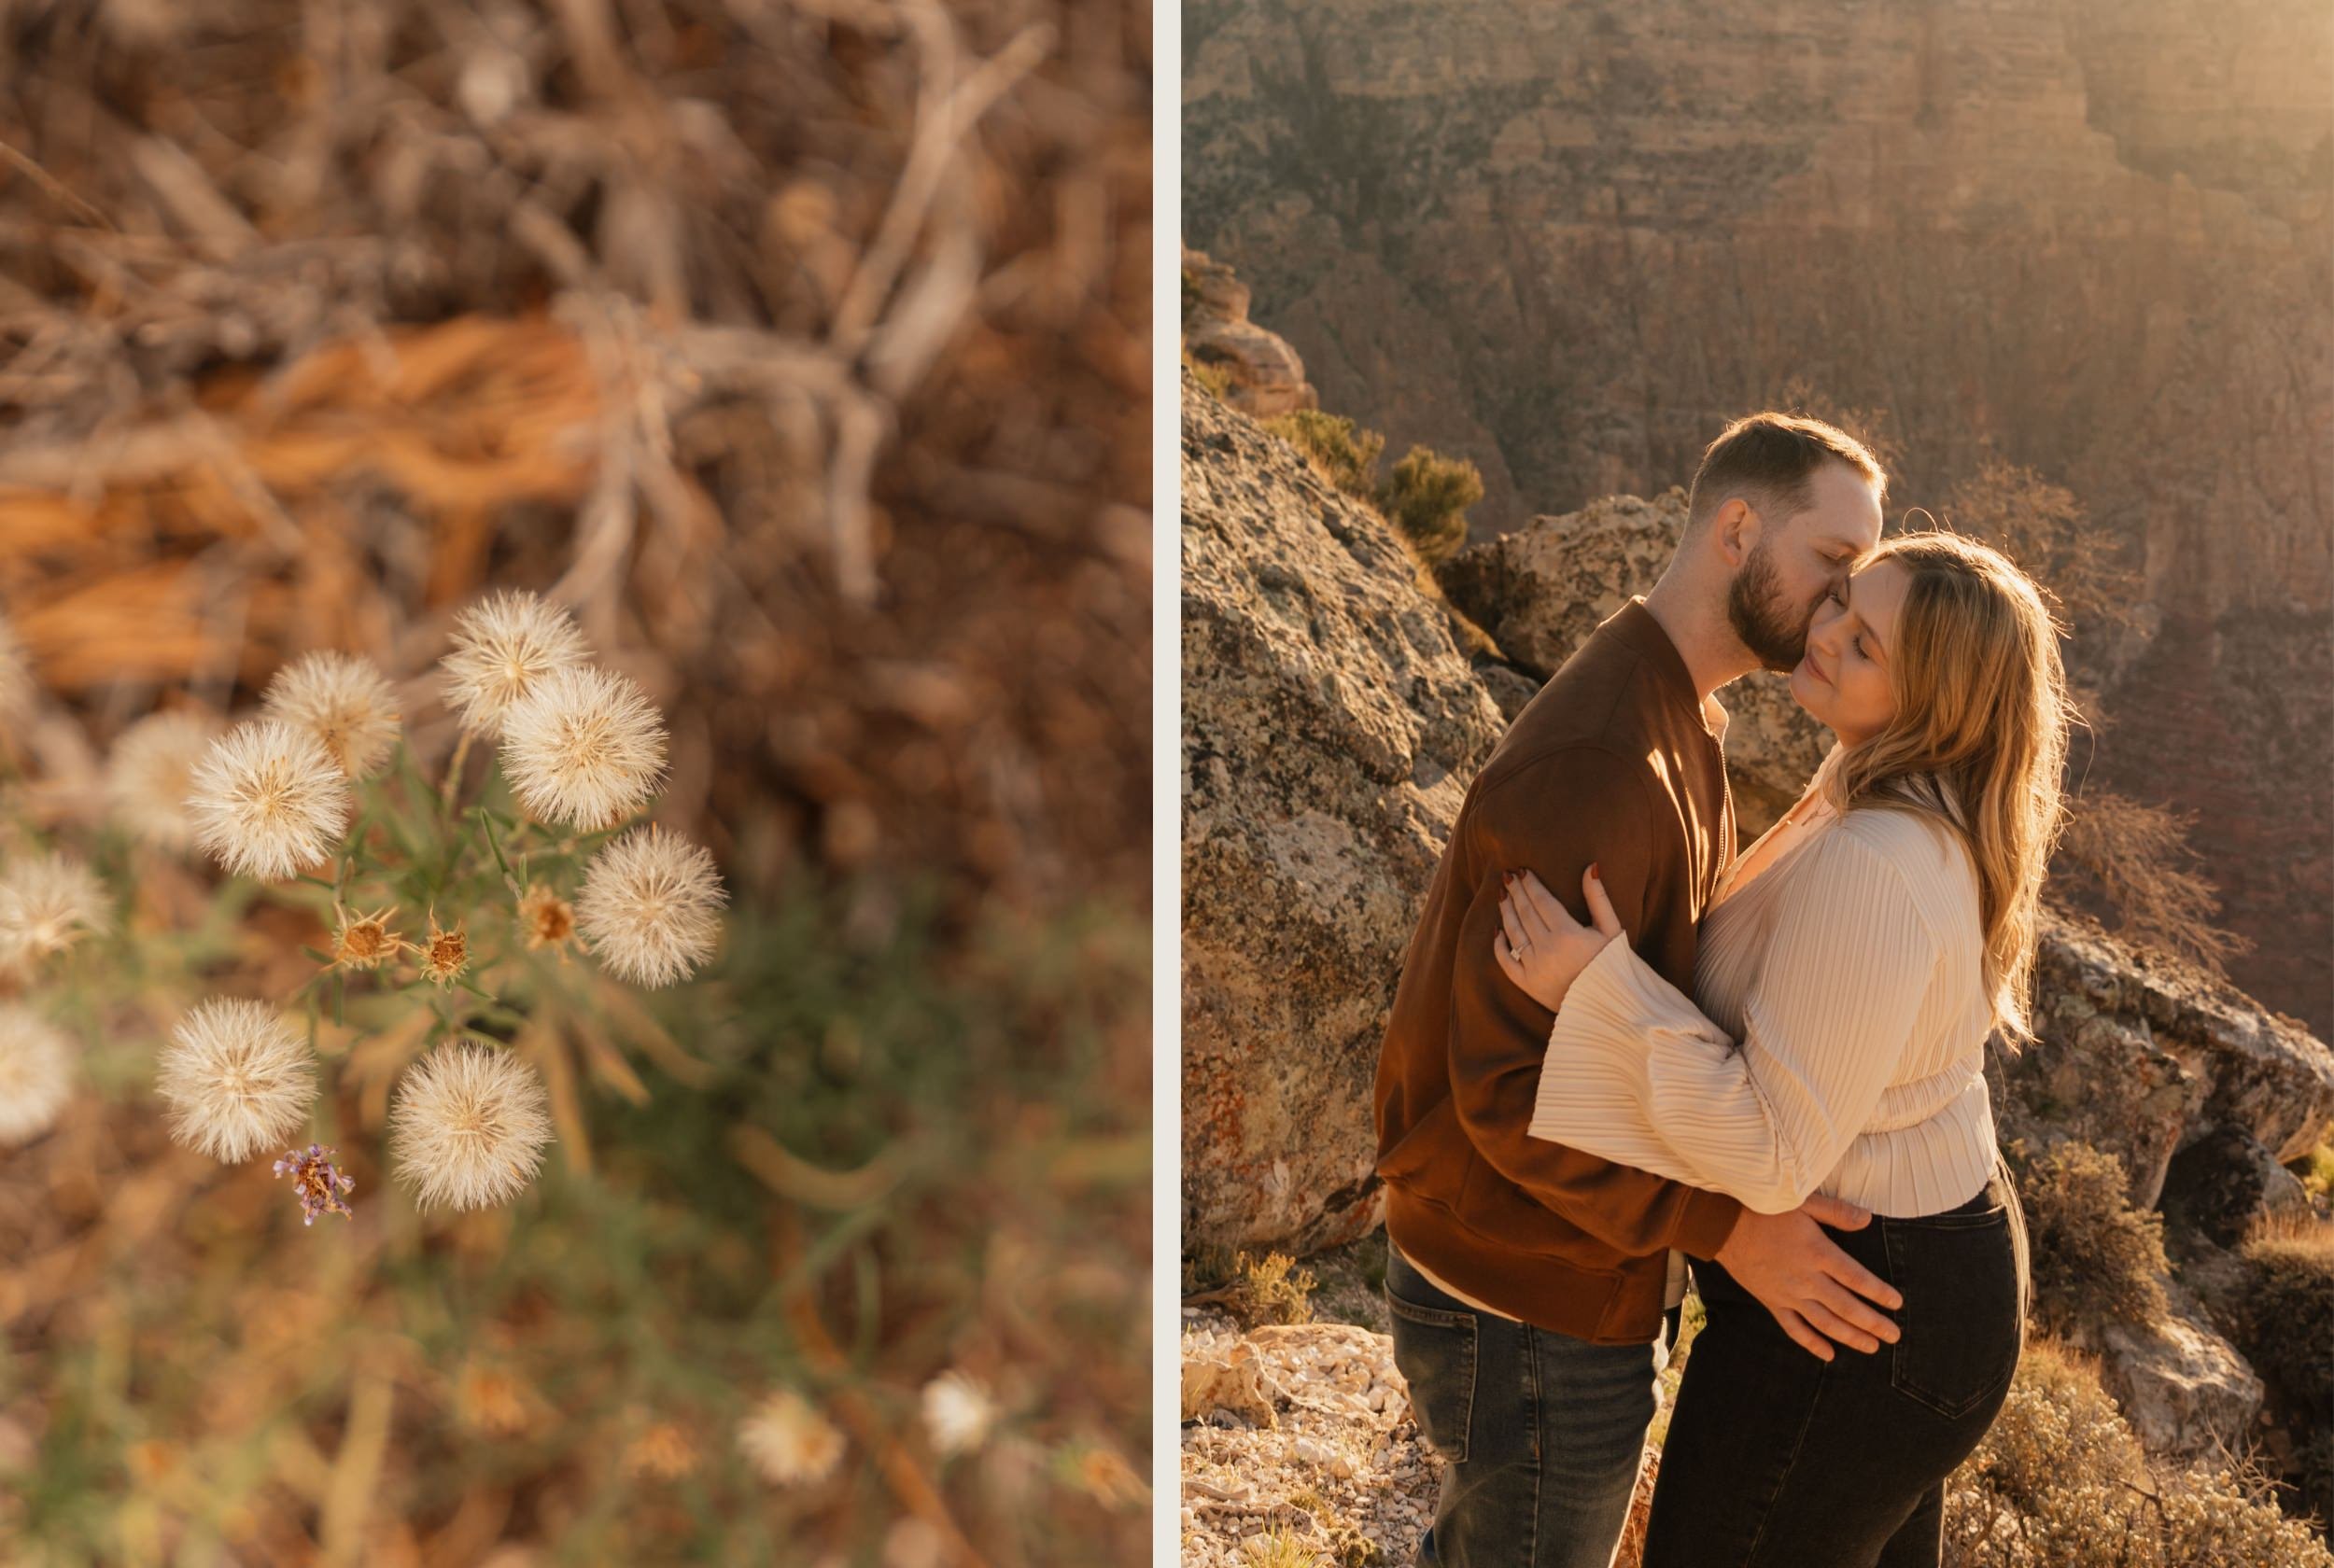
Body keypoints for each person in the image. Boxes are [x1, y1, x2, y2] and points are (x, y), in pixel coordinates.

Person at [1371, 412, 1906, 1568]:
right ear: (1734, 528)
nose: (1838, 606)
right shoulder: (1606, 760)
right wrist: (1728, 1231)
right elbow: (1506, 1095)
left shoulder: (1681, 716)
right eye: (1830, 566)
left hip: (1560, 1276)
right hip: (1523, 1302)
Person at [1496, 528, 2058, 1567]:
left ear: (1933, 703)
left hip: (1859, 1313)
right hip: (1909, 1279)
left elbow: (1768, 1148)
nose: (1830, 631)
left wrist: (1595, 991)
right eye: (1842, 597)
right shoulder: (1880, 788)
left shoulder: (1877, 859)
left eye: (1870, 644)